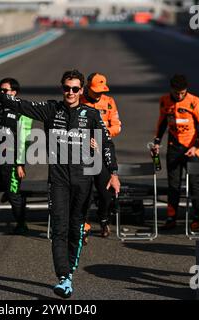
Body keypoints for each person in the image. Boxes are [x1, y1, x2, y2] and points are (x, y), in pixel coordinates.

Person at [0, 69, 120, 299]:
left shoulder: (91, 114)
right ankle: (64, 277)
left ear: (81, 90)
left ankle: (69, 271)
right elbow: (22, 105)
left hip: (83, 180)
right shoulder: (52, 109)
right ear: (61, 88)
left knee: (76, 228)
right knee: (59, 229)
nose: (70, 92)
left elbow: (107, 144)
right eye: (66, 88)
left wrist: (113, 173)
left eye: (74, 89)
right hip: (59, 181)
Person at [152, 74, 199, 230]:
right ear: (171, 89)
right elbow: (162, 122)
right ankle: (171, 217)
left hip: (191, 149)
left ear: (186, 90)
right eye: (176, 93)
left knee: (194, 184)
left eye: (182, 93)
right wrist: (157, 142)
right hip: (173, 148)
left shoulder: (195, 102)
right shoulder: (164, 100)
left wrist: (196, 146)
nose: (179, 96)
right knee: (173, 185)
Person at [0, 78, 33, 235]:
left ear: (14, 93)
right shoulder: (0, 109)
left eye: (5, 91)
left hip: (13, 159)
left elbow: (25, 139)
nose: (1, 93)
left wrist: (20, 163)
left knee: (14, 196)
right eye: (0, 90)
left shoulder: (23, 111)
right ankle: (9, 189)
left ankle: (22, 225)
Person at [80, 73, 121, 242]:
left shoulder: (109, 102)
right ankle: (84, 223)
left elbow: (117, 126)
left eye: (101, 91)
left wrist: (101, 136)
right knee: (84, 192)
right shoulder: (78, 101)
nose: (99, 94)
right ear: (88, 88)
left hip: (103, 152)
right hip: (82, 153)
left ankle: (103, 218)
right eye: (95, 91)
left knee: (106, 193)